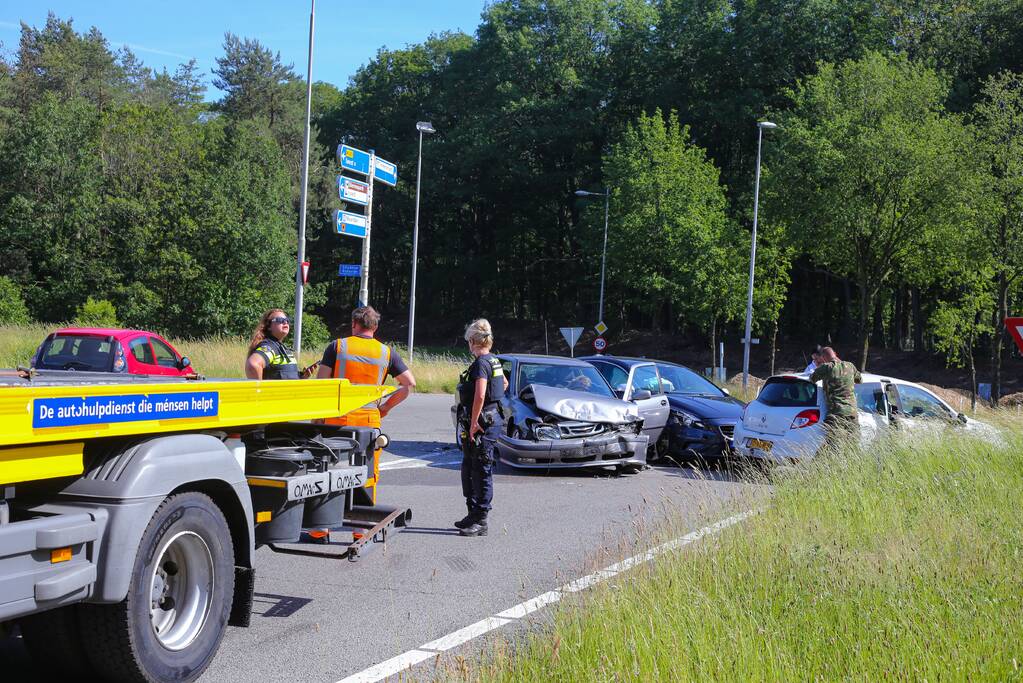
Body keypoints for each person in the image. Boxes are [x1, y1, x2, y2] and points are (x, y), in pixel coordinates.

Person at [315, 306, 415, 504]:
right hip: (368, 422)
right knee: (367, 471)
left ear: (354, 323)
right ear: (375, 327)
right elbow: (409, 384)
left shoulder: (337, 347)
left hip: (337, 419)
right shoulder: (387, 353)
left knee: (331, 469)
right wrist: (385, 408)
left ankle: (321, 531)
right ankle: (361, 529)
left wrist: (317, 419)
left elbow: (322, 385)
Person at [455, 319, 507, 537]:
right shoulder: (494, 361)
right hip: (492, 419)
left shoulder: (481, 364)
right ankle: (473, 514)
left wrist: (475, 421)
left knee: (481, 470)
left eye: (468, 340)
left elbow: (480, 394)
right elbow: (503, 384)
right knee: (470, 467)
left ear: (473, 341)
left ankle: (481, 520)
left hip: (483, 424)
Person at [809, 346, 862, 451]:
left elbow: (811, 379)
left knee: (833, 447)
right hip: (852, 413)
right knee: (853, 446)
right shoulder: (850, 366)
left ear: (823, 358)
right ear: (835, 354)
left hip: (836, 413)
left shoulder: (826, 367)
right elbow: (859, 380)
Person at [245, 309, 317, 380]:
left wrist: (302, 377)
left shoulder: (281, 347)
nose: (285, 322)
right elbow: (253, 365)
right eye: (279, 320)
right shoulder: (270, 346)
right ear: (269, 326)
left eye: (287, 320)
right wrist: (260, 390)